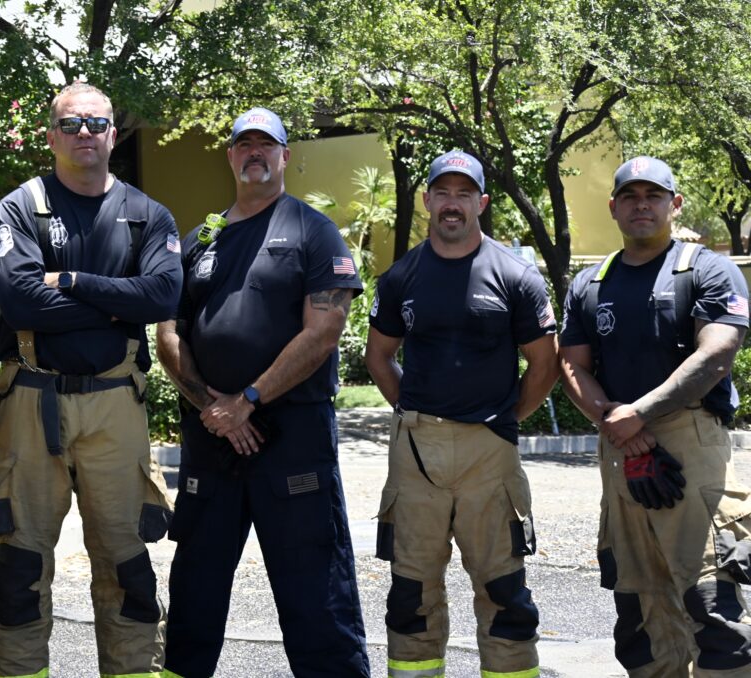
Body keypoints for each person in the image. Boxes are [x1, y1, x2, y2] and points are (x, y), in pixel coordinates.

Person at [156, 106, 370, 678]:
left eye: (266, 145)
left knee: (315, 588)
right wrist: (214, 408)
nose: (255, 153)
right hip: (212, 437)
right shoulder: (201, 239)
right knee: (196, 584)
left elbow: (324, 331)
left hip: (292, 437)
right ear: (230, 156)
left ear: (284, 156)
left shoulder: (312, 231)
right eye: (244, 144)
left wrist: (247, 400)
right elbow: (169, 332)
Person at [0, 82, 181, 678]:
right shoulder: (21, 207)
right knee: (19, 569)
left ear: (113, 134)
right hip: (30, 402)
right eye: (70, 124)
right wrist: (120, 303)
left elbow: (164, 295)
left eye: (95, 123)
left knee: (128, 567)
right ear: (51, 136)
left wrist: (71, 282)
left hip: (116, 405)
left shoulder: (148, 215)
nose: (84, 133)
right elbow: (21, 302)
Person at [364, 150, 558, 678]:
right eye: (444, 193)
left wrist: (504, 421)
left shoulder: (516, 275)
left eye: (464, 194)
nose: (453, 204)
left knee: (504, 592)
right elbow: (379, 356)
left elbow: (545, 363)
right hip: (416, 452)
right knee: (411, 593)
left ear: (482, 202)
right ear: (427, 200)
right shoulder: (401, 277)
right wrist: (412, 411)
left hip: (489, 451)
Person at [559, 156, 751, 676]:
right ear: (613, 207)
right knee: (640, 616)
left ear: (675, 204)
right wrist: (612, 419)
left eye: (653, 196)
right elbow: (571, 365)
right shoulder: (590, 283)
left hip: (691, 442)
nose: (641, 205)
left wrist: (638, 414)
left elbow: (716, 355)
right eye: (630, 196)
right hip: (619, 448)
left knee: (713, 604)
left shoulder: (708, 269)